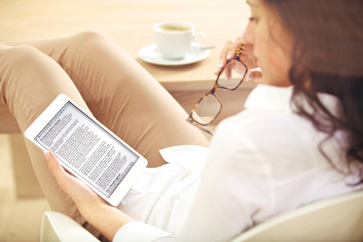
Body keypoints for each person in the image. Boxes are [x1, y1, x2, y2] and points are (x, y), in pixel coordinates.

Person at [1, 0, 363, 241]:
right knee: (87, 46)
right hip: (197, 178)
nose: (247, 34)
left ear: (307, 35)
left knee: (24, 66)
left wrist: (93, 208)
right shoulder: (348, 109)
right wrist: (284, 71)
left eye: (257, 17)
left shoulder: (247, 142)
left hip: (121, 218)